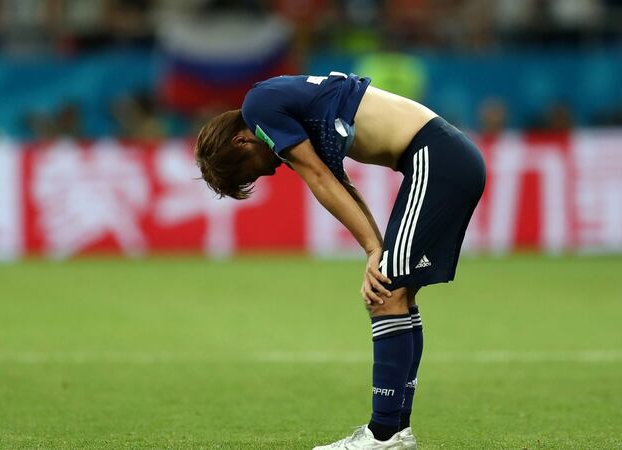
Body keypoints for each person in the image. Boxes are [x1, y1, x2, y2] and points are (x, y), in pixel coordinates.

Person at [194, 72, 485, 449]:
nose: (273, 168)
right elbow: (339, 183)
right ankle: (397, 431)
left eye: (253, 167)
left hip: (436, 159)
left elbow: (318, 178)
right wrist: (376, 248)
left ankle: (384, 434)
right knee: (397, 294)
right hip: (441, 158)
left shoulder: (259, 106)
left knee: (385, 294)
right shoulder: (288, 108)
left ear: (242, 139)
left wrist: (373, 252)